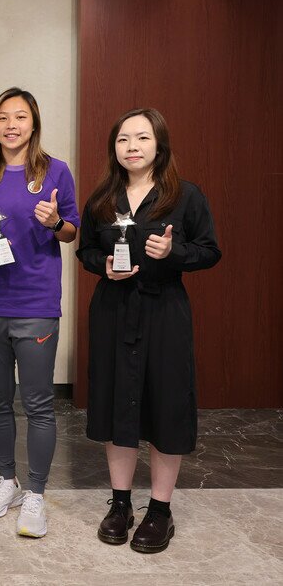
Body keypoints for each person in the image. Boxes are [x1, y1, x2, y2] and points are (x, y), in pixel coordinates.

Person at [77, 108, 220, 554]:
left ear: (160, 144)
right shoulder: (102, 197)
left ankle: (159, 510)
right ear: (114, 148)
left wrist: (174, 251)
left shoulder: (186, 196)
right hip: (113, 310)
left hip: (164, 313)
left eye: (141, 138)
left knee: (166, 405)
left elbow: (210, 251)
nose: (132, 147)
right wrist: (102, 265)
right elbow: (83, 250)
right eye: (123, 140)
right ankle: (120, 504)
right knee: (118, 403)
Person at [0, 87, 80, 539]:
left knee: (37, 405)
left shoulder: (56, 171)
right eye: (2, 118)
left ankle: (35, 493)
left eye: (20, 117)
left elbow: (72, 232)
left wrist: (55, 223)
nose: (11, 125)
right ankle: (6, 482)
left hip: (35, 304)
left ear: (34, 123)